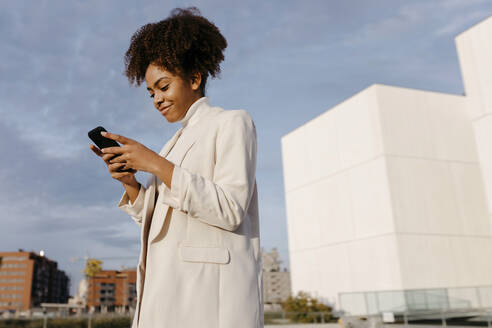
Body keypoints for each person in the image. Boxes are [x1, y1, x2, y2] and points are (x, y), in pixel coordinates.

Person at [89, 7, 263, 328]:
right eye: (151, 92)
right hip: (164, 295)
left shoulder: (231, 122)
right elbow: (161, 221)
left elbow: (230, 209)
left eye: (164, 86)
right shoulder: (173, 145)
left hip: (209, 303)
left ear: (195, 78)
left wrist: (153, 162)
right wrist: (130, 183)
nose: (156, 99)